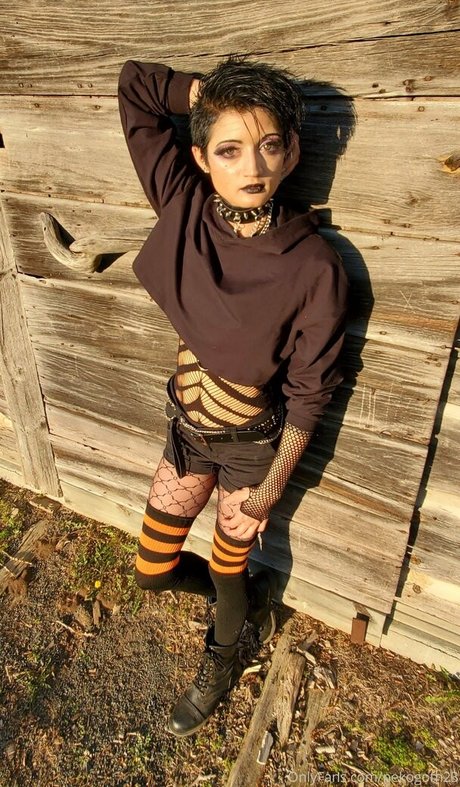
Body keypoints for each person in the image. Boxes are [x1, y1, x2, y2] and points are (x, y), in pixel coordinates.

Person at [117, 55, 348, 737]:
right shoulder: (182, 205)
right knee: (152, 570)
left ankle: (222, 658)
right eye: (229, 148)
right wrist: (210, 95)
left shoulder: (313, 266)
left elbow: (310, 393)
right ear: (201, 156)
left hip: (252, 452)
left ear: (292, 152)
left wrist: (271, 488)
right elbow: (135, 88)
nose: (253, 165)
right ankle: (245, 606)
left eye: (270, 145)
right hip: (187, 437)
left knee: (225, 570)